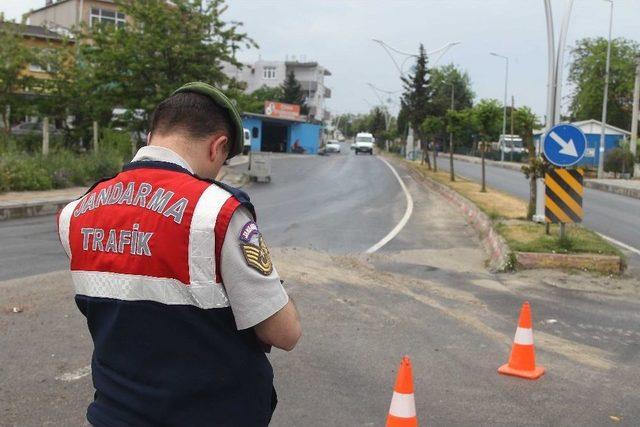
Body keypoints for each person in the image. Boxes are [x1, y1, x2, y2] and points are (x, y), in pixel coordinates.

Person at [56, 82, 301, 426]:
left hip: (111, 415)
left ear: (153, 132)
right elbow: (284, 333)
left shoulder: (76, 213)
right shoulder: (216, 212)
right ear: (218, 146)